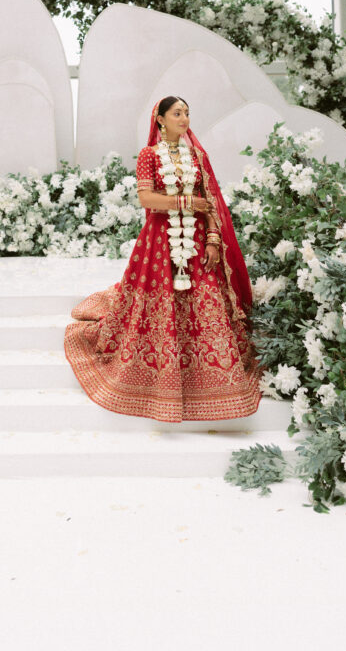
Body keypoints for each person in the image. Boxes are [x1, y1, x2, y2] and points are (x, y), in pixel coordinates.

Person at [64, 96, 261, 422]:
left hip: (197, 242)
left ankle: (209, 375)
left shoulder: (197, 156)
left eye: (187, 113)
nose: (184, 119)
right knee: (158, 305)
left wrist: (213, 239)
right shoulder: (148, 156)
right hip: (159, 244)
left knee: (207, 305)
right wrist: (186, 203)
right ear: (160, 119)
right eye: (177, 113)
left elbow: (209, 202)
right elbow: (147, 199)